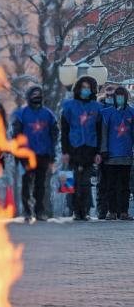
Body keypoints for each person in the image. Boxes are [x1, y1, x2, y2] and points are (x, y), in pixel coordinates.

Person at [11, 86, 58, 221]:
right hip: (26, 154)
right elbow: (16, 135)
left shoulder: (48, 114)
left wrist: (52, 152)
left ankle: (39, 210)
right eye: (34, 94)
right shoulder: (22, 114)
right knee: (26, 183)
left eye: (39, 94)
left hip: (43, 154)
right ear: (29, 96)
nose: (36, 97)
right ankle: (27, 211)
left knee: (40, 184)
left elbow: (54, 133)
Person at [61, 76, 104, 221]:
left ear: (92, 90)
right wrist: (64, 152)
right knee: (69, 180)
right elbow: (64, 131)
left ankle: (84, 211)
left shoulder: (97, 107)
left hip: (89, 148)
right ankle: (72, 210)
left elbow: (99, 131)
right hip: (73, 147)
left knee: (85, 182)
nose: (85, 90)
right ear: (78, 88)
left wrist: (98, 152)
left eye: (88, 88)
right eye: (83, 87)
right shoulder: (68, 106)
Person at [99, 86, 133, 220]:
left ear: (126, 97)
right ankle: (111, 211)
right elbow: (103, 134)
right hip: (111, 156)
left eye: (121, 95)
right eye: (117, 96)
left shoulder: (132, 113)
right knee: (110, 185)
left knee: (124, 186)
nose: (119, 98)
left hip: (126, 155)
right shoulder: (107, 113)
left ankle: (124, 211)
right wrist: (103, 150)